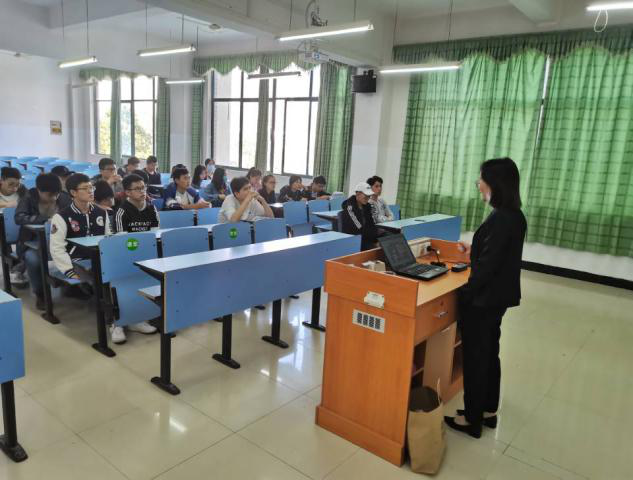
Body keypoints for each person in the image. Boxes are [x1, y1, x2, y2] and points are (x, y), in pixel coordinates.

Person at [444, 158, 527, 439]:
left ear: (494, 184)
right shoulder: (514, 215)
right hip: (498, 299)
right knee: (490, 353)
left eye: (481, 180)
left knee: (476, 359)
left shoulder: (501, 218)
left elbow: (489, 267)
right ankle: (488, 410)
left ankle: (472, 419)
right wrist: (474, 251)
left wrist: (465, 293)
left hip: (484, 300)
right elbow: (498, 256)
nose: (478, 184)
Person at [50, 173, 157, 344]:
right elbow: (57, 248)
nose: (91, 191)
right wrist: (68, 270)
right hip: (78, 262)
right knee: (107, 279)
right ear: (73, 192)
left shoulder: (101, 212)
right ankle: (115, 323)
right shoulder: (62, 216)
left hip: (102, 258)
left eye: (91, 187)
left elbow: (109, 240)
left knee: (130, 272)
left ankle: (133, 318)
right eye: (85, 188)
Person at [15, 173, 70, 309]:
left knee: (77, 254)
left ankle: (74, 288)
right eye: (49, 195)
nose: (54, 198)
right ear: (39, 190)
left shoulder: (63, 197)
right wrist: (45, 220)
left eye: (56, 194)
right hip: (32, 242)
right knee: (33, 260)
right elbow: (19, 217)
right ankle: (41, 294)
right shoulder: (28, 198)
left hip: (60, 241)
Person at [0, 167, 28, 286]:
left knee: (27, 239)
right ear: (2, 180)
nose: (14, 188)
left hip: (18, 226)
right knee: (4, 243)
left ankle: (17, 269)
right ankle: (13, 270)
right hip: (2, 228)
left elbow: (30, 203)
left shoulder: (22, 190)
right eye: (11, 184)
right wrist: (7, 204)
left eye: (17, 185)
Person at [340, 182, 378, 251]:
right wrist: (373, 240)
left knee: (386, 239)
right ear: (358, 193)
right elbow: (358, 228)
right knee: (377, 249)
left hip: (365, 237)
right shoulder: (349, 207)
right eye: (366, 195)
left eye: (369, 196)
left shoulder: (367, 206)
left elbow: (371, 224)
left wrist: (376, 239)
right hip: (354, 239)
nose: (368, 198)